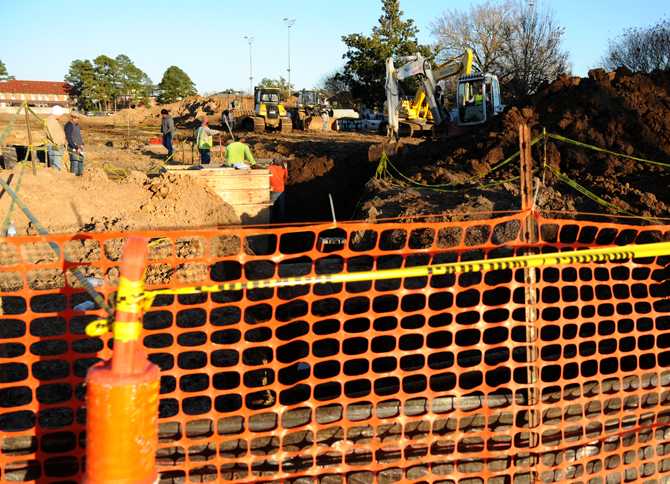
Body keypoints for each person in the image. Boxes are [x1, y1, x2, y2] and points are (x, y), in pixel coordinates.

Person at [45, 106, 66, 170]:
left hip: (57, 146)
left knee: (57, 164)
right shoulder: (50, 121)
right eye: (60, 115)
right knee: (56, 166)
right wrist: (59, 144)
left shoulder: (54, 121)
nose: (61, 116)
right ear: (57, 113)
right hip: (55, 147)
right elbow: (53, 135)